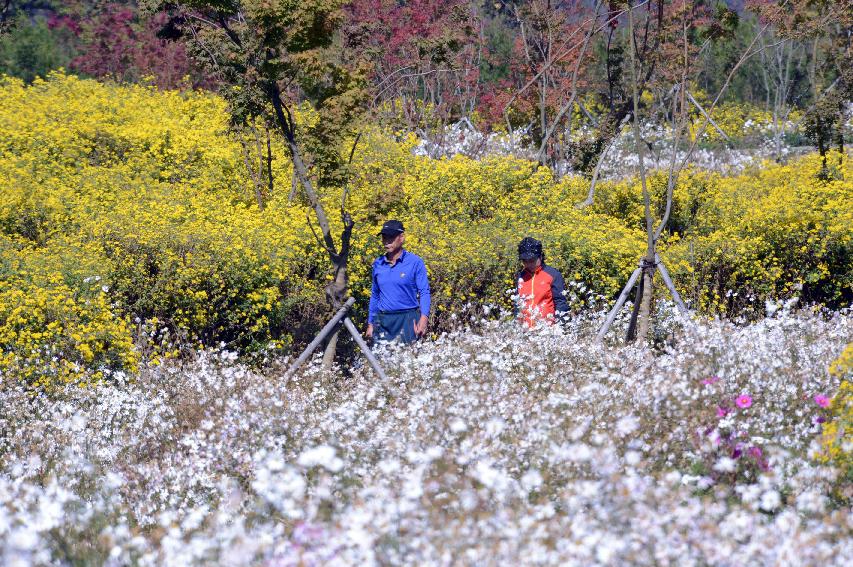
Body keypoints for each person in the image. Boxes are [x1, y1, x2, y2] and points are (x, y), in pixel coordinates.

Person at [366, 220, 431, 344]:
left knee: (408, 359)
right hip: (383, 320)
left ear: (401, 238)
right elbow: (375, 295)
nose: (387, 241)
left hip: (407, 319)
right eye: (384, 237)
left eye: (391, 237)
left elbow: (424, 292)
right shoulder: (378, 264)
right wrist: (370, 323)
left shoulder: (415, 262)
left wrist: (423, 319)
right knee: (380, 361)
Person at [516, 236, 569, 327]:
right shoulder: (521, 277)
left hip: (547, 329)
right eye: (525, 261)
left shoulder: (553, 275)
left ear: (540, 256)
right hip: (524, 330)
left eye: (532, 260)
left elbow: (560, 303)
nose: (529, 264)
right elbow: (517, 304)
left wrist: (560, 326)